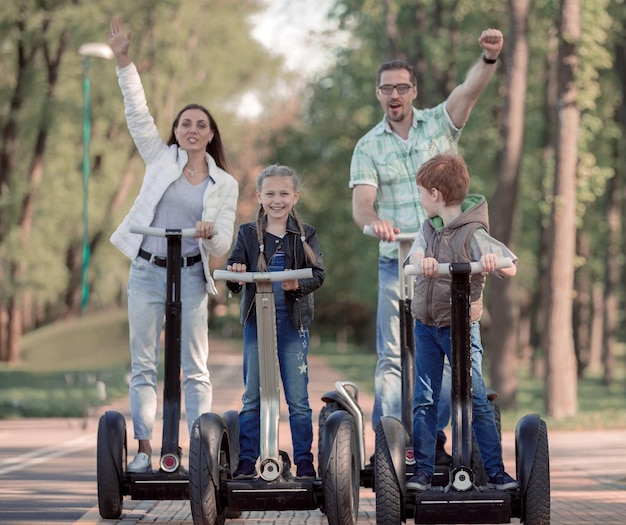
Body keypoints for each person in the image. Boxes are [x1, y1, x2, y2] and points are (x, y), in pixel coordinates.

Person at [349, 29, 504, 459]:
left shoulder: (439, 123)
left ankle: (429, 443)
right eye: (386, 88)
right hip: (396, 262)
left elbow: (468, 91)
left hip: (445, 261)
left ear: (413, 91)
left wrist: (488, 59)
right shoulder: (368, 146)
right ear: (379, 95)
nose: (394, 93)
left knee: (444, 355)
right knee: (393, 356)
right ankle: (388, 448)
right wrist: (376, 222)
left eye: (402, 86)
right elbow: (362, 204)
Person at [108, 17, 239, 473]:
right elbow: (137, 113)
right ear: (178, 130)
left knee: (194, 366)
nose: (192, 130)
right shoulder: (159, 158)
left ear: (210, 134)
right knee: (143, 361)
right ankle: (146, 451)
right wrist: (124, 60)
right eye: (185, 123)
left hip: (189, 273)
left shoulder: (225, 184)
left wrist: (208, 234)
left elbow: (222, 242)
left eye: (201, 125)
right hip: (147, 269)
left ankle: (198, 449)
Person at [404, 153, 518, 491]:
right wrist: (421, 259)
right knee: (424, 397)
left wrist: (490, 261)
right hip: (426, 325)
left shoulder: (473, 232)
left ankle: (495, 473)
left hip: (460, 329)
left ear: (435, 194)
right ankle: (422, 472)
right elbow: (414, 255)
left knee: (475, 397)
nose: (421, 199)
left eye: (422, 193)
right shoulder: (428, 228)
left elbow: (510, 265)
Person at [225, 165, 325, 479]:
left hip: (292, 325)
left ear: (295, 196)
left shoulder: (305, 233)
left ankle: (304, 462)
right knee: (253, 395)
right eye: (270, 193)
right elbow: (232, 272)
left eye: (284, 193)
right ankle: (246, 461)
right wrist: (237, 273)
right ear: (259, 196)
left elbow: (318, 273)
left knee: (297, 398)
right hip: (258, 322)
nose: (277, 199)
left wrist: (299, 285)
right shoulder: (247, 233)